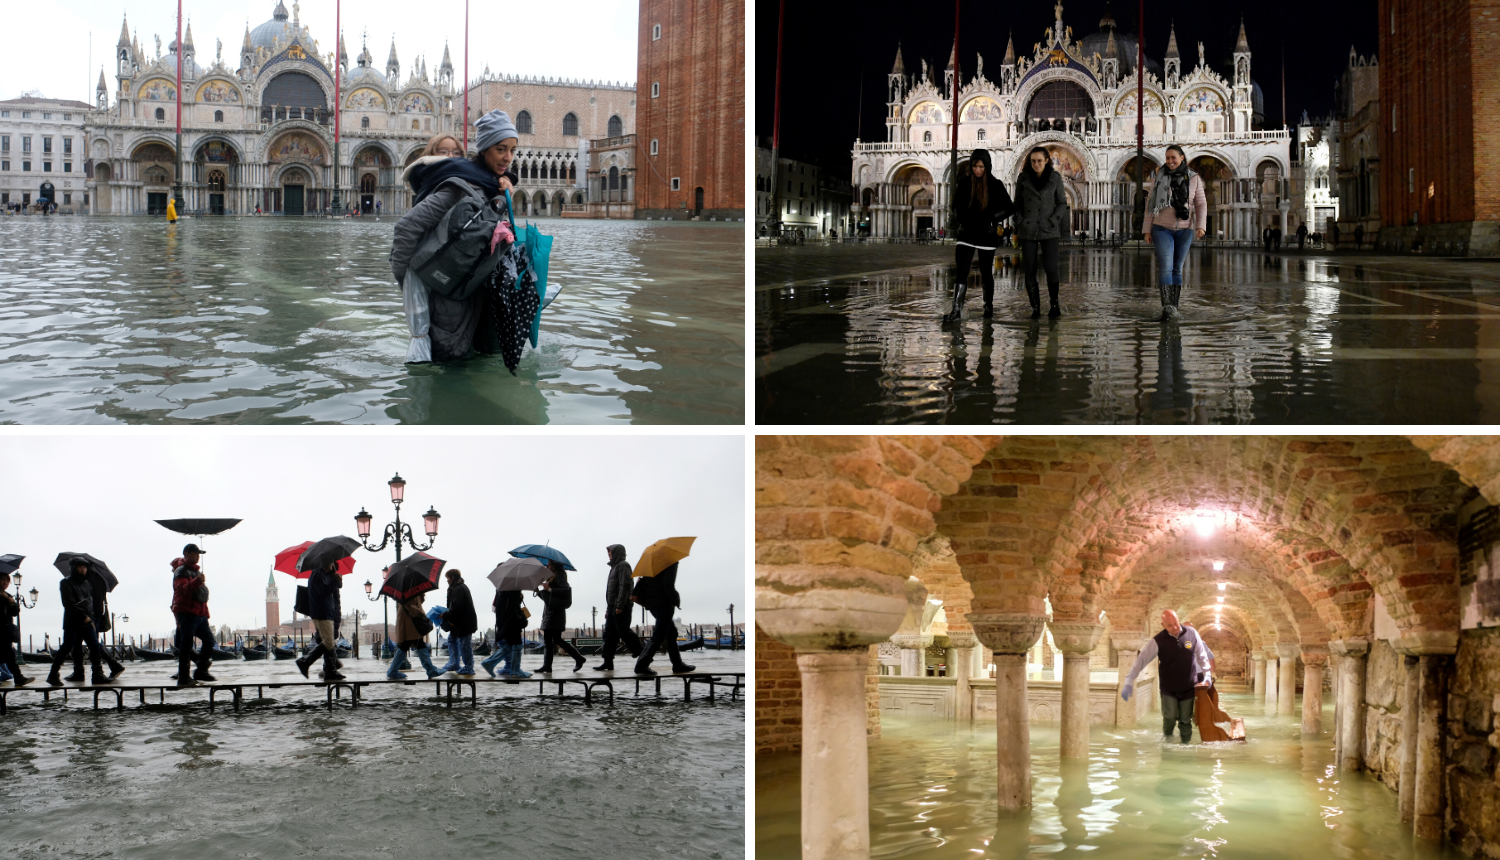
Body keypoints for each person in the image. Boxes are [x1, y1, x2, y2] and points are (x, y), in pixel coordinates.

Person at [389, 119, 519, 364]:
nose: (508, 157)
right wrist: (406, 280)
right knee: (449, 370)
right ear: (484, 149)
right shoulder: (458, 187)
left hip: (480, 301)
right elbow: (406, 229)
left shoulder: (491, 186)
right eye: (501, 149)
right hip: (449, 308)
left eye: (512, 150)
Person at [942, 149, 1015, 322]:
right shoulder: (965, 183)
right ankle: (956, 310)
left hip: (986, 235)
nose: (978, 170)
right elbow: (956, 205)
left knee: (986, 272)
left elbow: (1010, 207)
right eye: (975, 166)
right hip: (966, 233)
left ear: (987, 166)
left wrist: (991, 219)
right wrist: (962, 220)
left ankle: (988, 306)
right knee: (962, 270)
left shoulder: (995, 184)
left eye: (981, 166)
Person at [1119, 609, 1211, 743]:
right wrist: (1129, 680)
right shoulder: (1158, 641)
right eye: (1170, 625)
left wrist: (1207, 675)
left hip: (1189, 686)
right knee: (1169, 717)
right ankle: (1167, 744)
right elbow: (1141, 660)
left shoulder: (1192, 633)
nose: (1175, 628)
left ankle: (1185, 748)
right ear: (1163, 625)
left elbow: (1202, 657)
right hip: (1169, 687)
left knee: (1186, 720)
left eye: (1176, 623)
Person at [1143, 144, 1207, 321]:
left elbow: (1201, 203)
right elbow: (1150, 203)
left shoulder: (1193, 178)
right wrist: (1147, 229)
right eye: (1167, 158)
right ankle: (1167, 308)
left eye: (1174, 158)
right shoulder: (1159, 177)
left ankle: (1174, 307)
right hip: (1161, 228)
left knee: (1177, 269)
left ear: (1182, 158)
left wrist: (1201, 226)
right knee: (1166, 267)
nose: (1170, 161)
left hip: (1185, 229)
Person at [46, 558, 122, 686]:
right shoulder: (65, 583)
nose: (83, 569)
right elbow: (68, 603)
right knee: (66, 648)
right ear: (73, 568)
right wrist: (84, 616)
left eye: (85, 567)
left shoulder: (87, 583)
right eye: (80, 567)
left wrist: (90, 618)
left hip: (87, 621)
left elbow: (89, 603)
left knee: (94, 646)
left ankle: (97, 674)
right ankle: (53, 674)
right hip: (72, 622)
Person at [1013, 146, 1069, 319]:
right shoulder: (1023, 178)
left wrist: (1053, 220)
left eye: (1039, 161)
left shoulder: (1055, 178)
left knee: (1051, 268)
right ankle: (1035, 308)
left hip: (1048, 229)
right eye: (1033, 161)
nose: (1036, 164)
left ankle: (1054, 304)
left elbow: (1061, 203)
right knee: (1029, 270)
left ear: (1046, 161)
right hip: (1028, 229)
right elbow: (1017, 204)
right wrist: (1020, 220)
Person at [632, 562, 695, 676]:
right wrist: (675, 600)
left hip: (651, 604)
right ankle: (642, 665)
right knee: (659, 635)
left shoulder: (650, 564)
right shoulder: (670, 562)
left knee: (671, 633)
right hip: (664, 603)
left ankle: (677, 664)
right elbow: (668, 585)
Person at [171, 544, 216, 686]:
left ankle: (201, 670)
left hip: (200, 614)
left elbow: (201, 595)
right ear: (186, 553)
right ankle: (184, 677)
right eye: (195, 553)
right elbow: (182, 589)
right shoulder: (181, 571)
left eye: (199, 554)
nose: (198, 556)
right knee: (186, 644)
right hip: (187, 613)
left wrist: (205, 613)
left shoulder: (197, 573)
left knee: (209, 641)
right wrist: (198, 581)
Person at [596, 544, 643, 670]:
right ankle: (608, 662)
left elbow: (625, 586)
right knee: (609, 635)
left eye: (611, 552)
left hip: (622, 606)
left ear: (617, 552)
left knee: (624, 631)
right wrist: (608, 609)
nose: (609, 554)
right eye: (609, 552)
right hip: (612, 607)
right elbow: (611, 591)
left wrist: (620, 606)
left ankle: (641, 653)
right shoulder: (614, 567)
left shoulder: (623, 565)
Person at [296, 561, 345, 681]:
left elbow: (330, 590)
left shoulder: (322, 575)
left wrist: (335, 580)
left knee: (328, 641)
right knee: (328, 642)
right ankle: (305, 661)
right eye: (331, 562)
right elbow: (324, 592)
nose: (332, 564)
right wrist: (335, 581)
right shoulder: (318, 575)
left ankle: (330, 671)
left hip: (325, 612)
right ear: (324, 562)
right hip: (322, 613)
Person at [535, 562, 586, 673]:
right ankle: (576, 659)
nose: (547, 567)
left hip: (555, 613)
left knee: (551, 639)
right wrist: (538, 592)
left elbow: (565, 590)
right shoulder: (551, 577)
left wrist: (549, 589)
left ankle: (548, 666)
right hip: (549, 612)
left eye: (549, 565)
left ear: (554, 565)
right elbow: (548, 600)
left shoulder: (560, 575)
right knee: (553, 639)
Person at [387, 592, 442, 680]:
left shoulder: (413, 588)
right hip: (409, 621)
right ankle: (430, 670)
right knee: (418, 644)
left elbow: (415, 603)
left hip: (409, 620)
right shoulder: (408, 590)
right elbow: (410, 606)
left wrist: (421, 596)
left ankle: (393, 670)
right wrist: (421, 614)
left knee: (406, 645)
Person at [481, 588, 531, 677]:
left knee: (509, 646)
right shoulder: (511, 590)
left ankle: (489, 663)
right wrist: (519, 597)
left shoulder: (501, 591)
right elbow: (513, 606)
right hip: (512, 621)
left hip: (504, 621)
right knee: (517, 645)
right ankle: (515, 670)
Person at [437, 569, 478, 675]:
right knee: (451, 640)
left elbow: (457, 607)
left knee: (465, 645)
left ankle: (469, 668)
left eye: (448, 578)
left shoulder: (459, 589)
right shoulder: (456, 588)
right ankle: (454, 663)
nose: (447, 581)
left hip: (464, 623)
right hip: (458, 623)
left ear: (453, 578)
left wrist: (445, 615)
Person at [0, 572, 30, 686]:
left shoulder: (8, 596)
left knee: (10, 655)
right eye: (3, 580)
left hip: (6, 632)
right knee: (9, 654)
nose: (5, 583)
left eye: (7, 581)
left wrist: (12, 603)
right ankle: (18, 677)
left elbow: (15, 613)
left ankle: (18, 677)